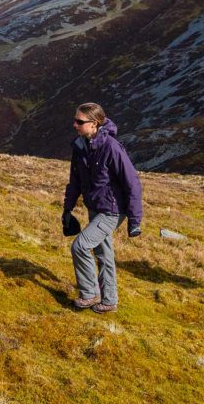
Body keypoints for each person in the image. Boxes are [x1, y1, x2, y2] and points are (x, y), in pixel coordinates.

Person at [63, 102, 142, 313]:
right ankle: (109, 301)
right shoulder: (80, 147)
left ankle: (89, 293)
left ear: (95, 123)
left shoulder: (111, 147)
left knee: (80, 246)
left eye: (80, 121)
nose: (75, 124)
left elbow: (132, 182)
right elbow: (75, 181)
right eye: (75, 120)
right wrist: (67, 209)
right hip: (95, 208)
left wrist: (134, 221)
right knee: (104, 254)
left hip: (112, 210)